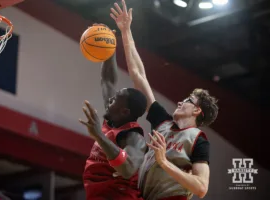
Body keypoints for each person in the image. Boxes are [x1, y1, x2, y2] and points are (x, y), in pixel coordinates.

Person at [110, 1, 219, 200]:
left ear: (197, 111)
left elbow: (202, 188)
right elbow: (138, 75)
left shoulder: (198, 139)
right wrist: (126, 31)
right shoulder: (163, 122)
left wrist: (164, 161)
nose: (180, 102)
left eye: (188, 100)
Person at [79, 49, 148, 200]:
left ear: (124, 112)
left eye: (115, 98)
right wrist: (109, 45)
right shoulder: (112, 119)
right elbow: (107, 80)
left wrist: (99, 136)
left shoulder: (134, 137)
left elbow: (128, 168)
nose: (110, 99)